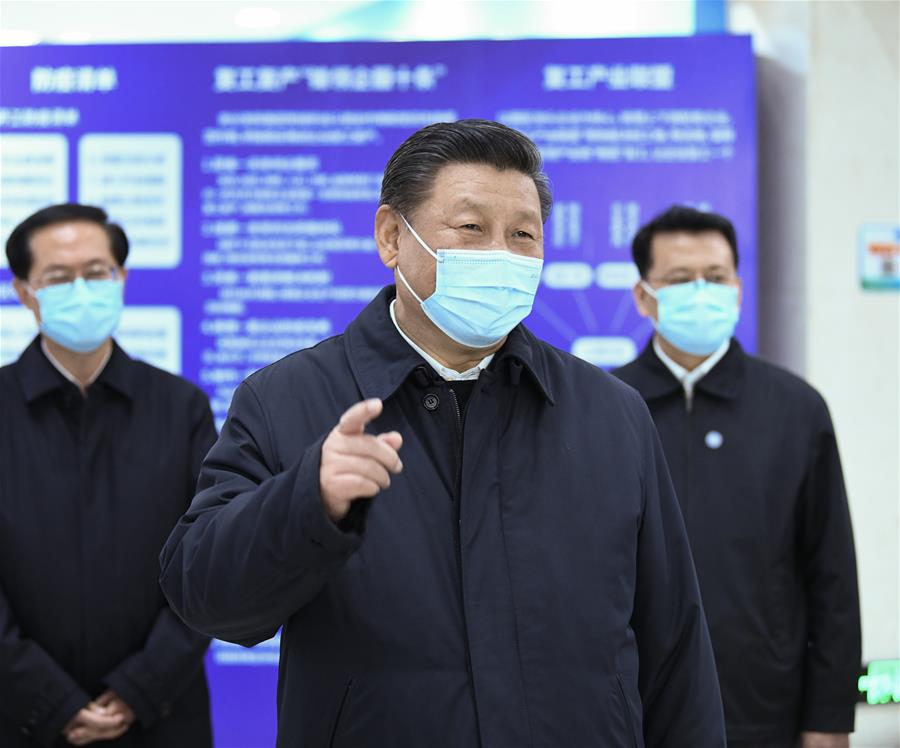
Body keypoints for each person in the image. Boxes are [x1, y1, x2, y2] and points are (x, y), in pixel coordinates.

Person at [160, 119, 726, 748]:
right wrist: (306, 504)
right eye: (471, 228)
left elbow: (676, 647)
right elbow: (205, 597)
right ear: (391, 237)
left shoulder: (611, 413)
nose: (501, 255)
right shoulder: (286, 400)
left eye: (523, 235)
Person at [614, 205, 861, 748]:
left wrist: (829, 717)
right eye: (680, 279)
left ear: (738, 290)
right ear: (643, 296)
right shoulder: (604, 407)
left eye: (716, 277)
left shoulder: (795, 409)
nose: (701, 292)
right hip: (633, 711)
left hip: (764, 712)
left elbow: (832, 574)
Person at [0, 204, 216, 748]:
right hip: (16, 715)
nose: (81, 290)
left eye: (96, 272)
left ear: (121, 278)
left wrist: (139, 689)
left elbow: (208, 561)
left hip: (161, 715)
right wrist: (49, 700)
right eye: (58, 277)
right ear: (24, 292)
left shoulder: (180, 408)